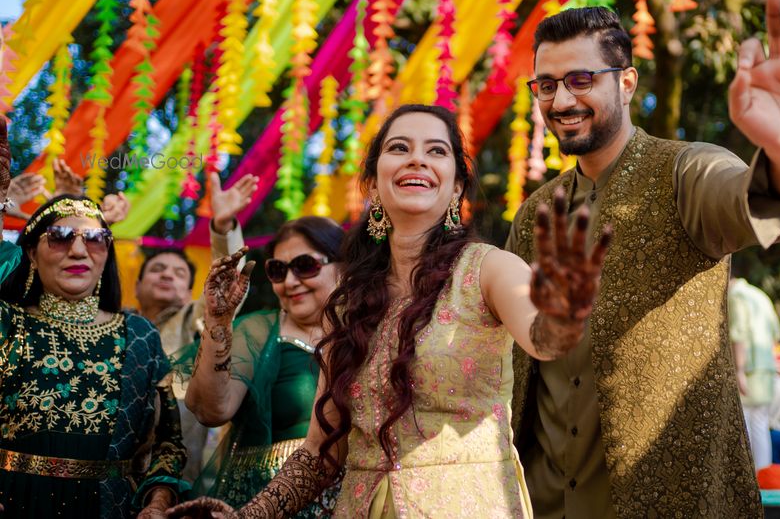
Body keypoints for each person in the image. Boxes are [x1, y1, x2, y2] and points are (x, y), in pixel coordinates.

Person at [170, 104, 612, 518]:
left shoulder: (488, 268)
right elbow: (322, 450)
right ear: (375, 181)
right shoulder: (347, 301)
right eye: (399, 148)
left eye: (435, 151)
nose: (416, 160)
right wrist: (249, 515)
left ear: (456, 185)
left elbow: (542, 338)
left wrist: (564, 311)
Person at [505, 0, 780, 517]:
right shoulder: (535, 214)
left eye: (581, 79)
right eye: (547, 85)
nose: (561, 100)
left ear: (627, 82)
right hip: (540, 501)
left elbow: (753, 202)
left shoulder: (685, 172)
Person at [0, 193, 186, 518]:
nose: (78, 250)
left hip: (110, 508)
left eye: (95, 238)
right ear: (31, 251)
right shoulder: (7, 322)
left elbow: (168, 443)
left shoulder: (140, 335)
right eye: (59, 237)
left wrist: (158, 501)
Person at [179, 215, 346, 516]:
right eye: (278, 270)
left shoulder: (369, 334)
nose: (291, 282)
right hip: (258, 502)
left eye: (305, 265)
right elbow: (210, 410)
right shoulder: (258, 330)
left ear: (344, 265)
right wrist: (218, 321)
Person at [134, 171, 254, 482]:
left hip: (178, 474)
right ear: (136, 286)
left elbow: (226, 294)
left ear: (190, 292)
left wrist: (224, 226)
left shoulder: (192, 319)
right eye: (157, 269)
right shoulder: (119, 324)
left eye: (177, 273)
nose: (166, 275)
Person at [729, 277, 780, 470]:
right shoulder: (760, 295)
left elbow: (738, 335)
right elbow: (776, 334)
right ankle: (763, 478)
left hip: (749, 370)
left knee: (744, 427)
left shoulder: (736, 296)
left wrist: (739, 370)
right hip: (767, 369)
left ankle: (749, 479)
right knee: (760, 425)